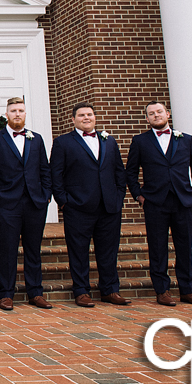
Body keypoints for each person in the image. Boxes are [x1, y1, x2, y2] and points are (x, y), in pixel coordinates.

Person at [126, 101, 192, 306]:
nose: (156, 115)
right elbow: (130, 172)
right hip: (155, 202)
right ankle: (162, 290)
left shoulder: (186, 140)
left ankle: (188, 290)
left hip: (184, 201)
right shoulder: (140, 141)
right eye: (151, 113)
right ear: (146, 118)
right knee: (157, 247)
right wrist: (139, 195)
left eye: (159, 112)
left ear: (167, 114)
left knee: (184, 247)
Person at [50, 103, 129, 307]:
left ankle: (110, 289)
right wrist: (64, 202)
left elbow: (119, 171)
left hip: (109, 206)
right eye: (82, 115)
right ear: (73, 119)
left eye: (90, 114)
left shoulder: (109, 141)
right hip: (77, 206)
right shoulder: (63, 142)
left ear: (94, 117)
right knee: (78, 251)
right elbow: (56, 175)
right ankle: (81, 291)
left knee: (109, 250)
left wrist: (119, 196)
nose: (86, 118)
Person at [0, 97, 53, 311]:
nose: (17, 114)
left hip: (35, 202)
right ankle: (6, 294)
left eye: (21, 110)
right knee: (8, 249)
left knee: (33, 249)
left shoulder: (36, 139)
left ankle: (36, 292)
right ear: (7, 114)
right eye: (13, 110)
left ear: (25, 113)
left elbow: (44, 169)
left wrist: (46, 194)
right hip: (7, 203)